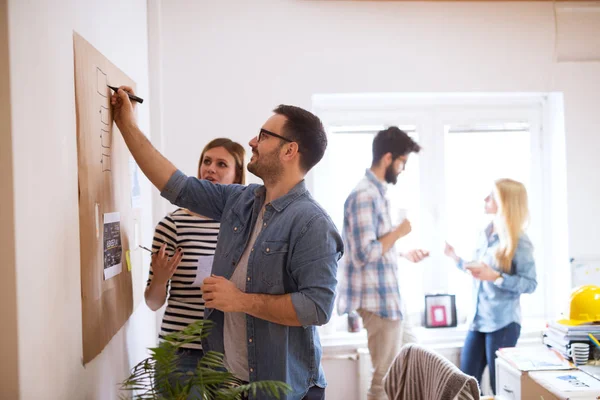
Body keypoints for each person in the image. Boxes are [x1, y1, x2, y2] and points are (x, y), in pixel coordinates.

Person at [110, 86, 343, 400]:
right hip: (229, 387)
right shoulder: (241, 200)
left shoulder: (313, 223)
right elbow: (176, 184)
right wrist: (127, 124)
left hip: (285, 392)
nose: (252, 142)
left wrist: (240, 300)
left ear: (289, 151)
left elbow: (317, 307)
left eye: (263, 135)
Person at [337, 126, 430, 400]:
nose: (402, 169)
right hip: (378, 303)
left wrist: (402, 252)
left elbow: (374, 246)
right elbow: (364, 253)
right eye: (402, 162)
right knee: (384, 379)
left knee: (415, 362)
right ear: (388, 158)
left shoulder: (376, 194)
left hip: (390, 300)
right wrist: (399, 232)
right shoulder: (364, 195)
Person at [145, 138, 246, 384]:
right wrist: (159, 279)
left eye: (222, 164)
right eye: (206, 161)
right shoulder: (173, 225)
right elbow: (153, 302)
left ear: (237, 176)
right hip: (180, 353)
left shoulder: (245, 227)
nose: (210, 168)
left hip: (229, 353)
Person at [444, 178, 537, 394]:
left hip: (503, 323)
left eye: (492, 196)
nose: (485, 199)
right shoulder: (485, 234)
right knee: (464, 386)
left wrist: (496, 277)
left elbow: (530, 284)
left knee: (501, 387)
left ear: (506, 202)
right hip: (478, 321)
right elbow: (479, 271)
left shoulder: (519, 241)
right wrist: (456, 259)